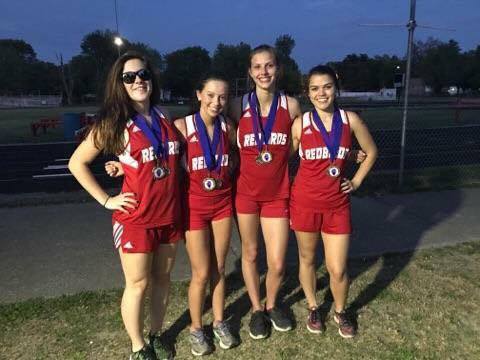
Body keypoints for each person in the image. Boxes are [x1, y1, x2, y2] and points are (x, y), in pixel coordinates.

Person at [69, 51, 182, 360]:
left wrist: (124, 166)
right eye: (129, 77)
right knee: (138, 283)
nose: (138, 81)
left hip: (169, 215)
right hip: (136, 218)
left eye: (143, 74)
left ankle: (157, 334)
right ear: (119, 84)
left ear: (151, 78)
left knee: (162, 280)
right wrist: (107, 199)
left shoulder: (164, 115)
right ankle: (137, 346)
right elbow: (77, 163)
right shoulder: (114, 121)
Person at [290, 65, 378, 338]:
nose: (321, 93)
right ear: (307, 92)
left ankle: (340, 310)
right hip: (304, 202)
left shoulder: (350, 119)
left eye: (326, 86)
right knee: (306, 259)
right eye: (315, 88)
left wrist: (357, 180)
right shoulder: (300, 123)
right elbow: (285, 161)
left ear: (335, 87)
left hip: (337, 205)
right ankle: (314, 306)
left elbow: (372, 151)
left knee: (337, 268)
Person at [228, 45, 302, 339]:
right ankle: (257, 309)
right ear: (250, 72)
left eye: (269, 66)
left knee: (278, 261)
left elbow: (297, 146)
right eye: (257, 67)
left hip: (277, 194)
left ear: (278, 68)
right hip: (245, 194)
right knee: (250, 252)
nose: (263, 72)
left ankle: (272, 305)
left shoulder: (292, 106)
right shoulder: (236, 106)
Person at [173, 74, 239, 356]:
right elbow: (158, 155)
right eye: (210, 95)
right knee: (201, 273)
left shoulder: (228, 127)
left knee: (219, 268)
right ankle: (196, 328)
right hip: (194, 208)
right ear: (198, 94)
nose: (216, 102)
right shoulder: (181, 126)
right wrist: (121, 166)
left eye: (222, 97)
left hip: (222, 204)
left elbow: (237, 156)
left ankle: (220, 321)